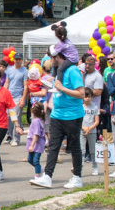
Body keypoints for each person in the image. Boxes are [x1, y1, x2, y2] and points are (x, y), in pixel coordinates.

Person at [30, 53, 86, 189]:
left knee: (74, 146)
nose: (49, 61)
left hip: (72, 115)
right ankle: (47, 176)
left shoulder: (72, 71)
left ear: (59, 57)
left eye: (52, 58)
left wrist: (62, 89)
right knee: (53, 146)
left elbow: (81, 93)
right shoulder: (57, 72)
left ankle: (77, 177)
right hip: (57, 114)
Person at [25, 103, 47, 176]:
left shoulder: (36, 121)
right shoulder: (35, 120)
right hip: (33, 144)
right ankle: (41, 169)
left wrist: (32, 145)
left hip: (37, 145)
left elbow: (36, 134)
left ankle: (38, 175)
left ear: (32, 111)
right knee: (30, 159)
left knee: (35, 161)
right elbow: (32, 131)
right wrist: (24, 132)